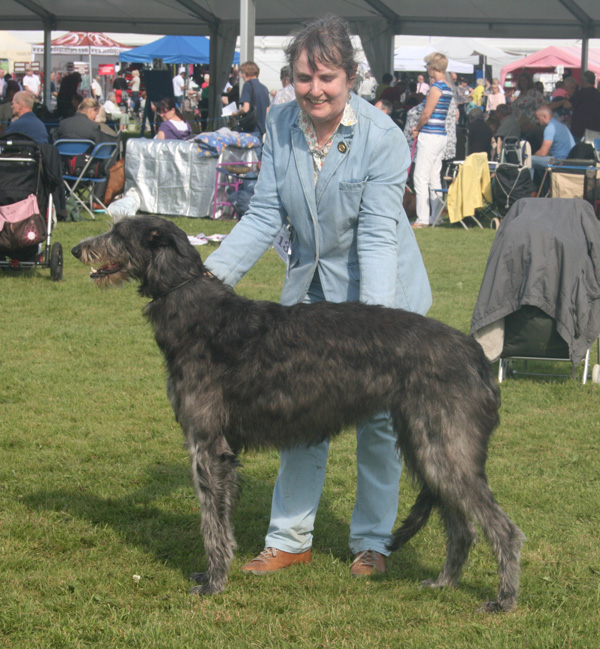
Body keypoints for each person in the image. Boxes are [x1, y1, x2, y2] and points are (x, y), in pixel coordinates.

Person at [203, 14, 431, 578]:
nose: (315, 90)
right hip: (311, 297)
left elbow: (378, 235)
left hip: (383, 299)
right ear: (291, 80)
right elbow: (263, 215)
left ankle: (373, 542)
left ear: (350, 77)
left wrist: (374, 329)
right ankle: (288, 539)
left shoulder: (383, 137)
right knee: (299, 414)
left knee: (379, 423)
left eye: (327, 77)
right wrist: (205, 284)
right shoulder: (280, 124)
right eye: (304, 78)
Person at [410, 52, 453, 228]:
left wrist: (417, 128)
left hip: (429, 134)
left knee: (420, 176)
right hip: (441, 134)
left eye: (428, 65)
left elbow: (426, 113)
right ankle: (436, 216)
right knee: (434, 177)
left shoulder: (436, 88)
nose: (426, 68)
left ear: (433, 67)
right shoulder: (448, 87)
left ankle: (422, 218)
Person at [530, 104, 575, 186]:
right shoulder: (561, 125)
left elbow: (543, 152)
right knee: (539, 163)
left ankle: (527, 190)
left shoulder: (550, 128)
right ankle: (545, 188)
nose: (537, 121)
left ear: (545, 117)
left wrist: (532, 155)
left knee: (530, 160)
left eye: (538, 118)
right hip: (568, 160)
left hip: (559, 161)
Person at [231, 61, 270, 142]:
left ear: (247, 73)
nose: (241, 76)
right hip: (261, 129)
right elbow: (268, 110)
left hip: (250, 128)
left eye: (242, 73)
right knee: (257, 153)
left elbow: (246, 108)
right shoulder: (264, 88)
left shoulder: (247, 86)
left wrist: (235, 113)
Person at [568, 70, 600, 143]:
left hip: (580, 130)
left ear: (583, 81)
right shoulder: (597, 94)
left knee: (578, 151)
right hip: (596, 129)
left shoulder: (581, 93)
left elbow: (568, 105)